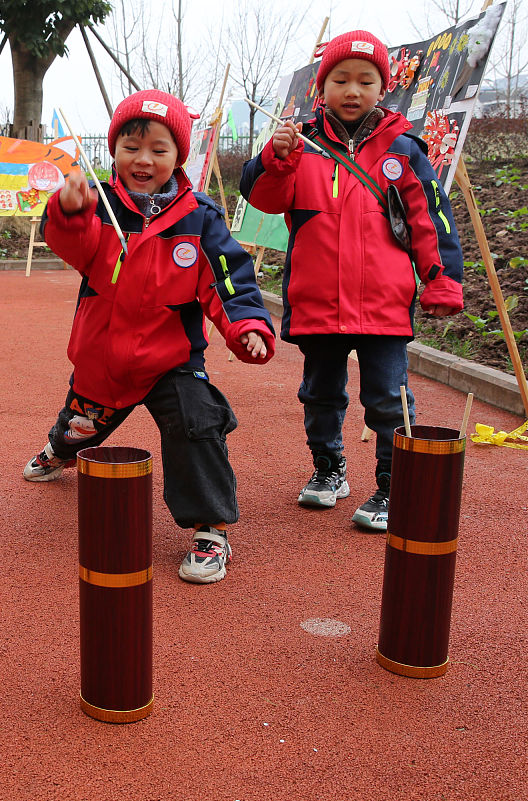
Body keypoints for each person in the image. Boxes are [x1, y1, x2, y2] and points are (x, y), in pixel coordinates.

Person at [23, 90, 276, 585]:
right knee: (80, 427)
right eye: (131, 147)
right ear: (113, 150)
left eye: (159, 150)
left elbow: (229, 280)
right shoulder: (97, 202)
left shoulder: (199, 217)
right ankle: (58, 449)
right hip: (104, 358)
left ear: (179, 156)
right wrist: (70, 211)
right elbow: (76, 248)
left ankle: (211, 530)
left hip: (172, 358)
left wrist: (246, 326)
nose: (144, 160)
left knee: (197, 421)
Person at [240, 30, 463, 532]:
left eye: (366, 80)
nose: (352, 89)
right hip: (317, 303)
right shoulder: (298, 144)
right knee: (319, 393)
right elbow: (262, 196)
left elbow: (432, 218)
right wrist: (276, 159)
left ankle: (392, 485)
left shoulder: (403, 148)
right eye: (340, 79)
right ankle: (328, 469)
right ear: (322, 88)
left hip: (383, 305)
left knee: (388, 399)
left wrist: (442, 281)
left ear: (383, 89)